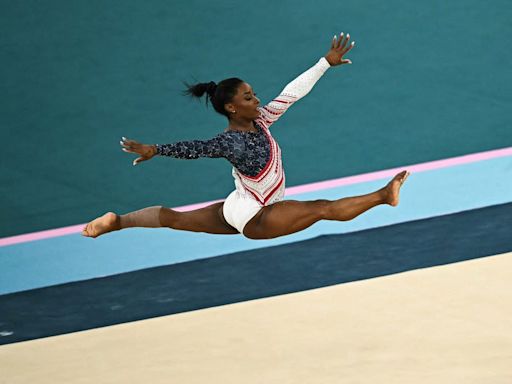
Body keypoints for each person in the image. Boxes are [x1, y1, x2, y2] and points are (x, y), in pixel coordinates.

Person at [82, 32, 409, 240]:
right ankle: (384, 195)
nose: (256, 100)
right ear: (231, 108)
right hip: (258, 216)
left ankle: (117, 222)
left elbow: (292, 93)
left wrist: (324, 63)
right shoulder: (232, 142)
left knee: (174, 219)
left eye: (253, 94)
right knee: (322, 208)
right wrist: (157, 149)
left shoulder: (262, 119)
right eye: (248, 97)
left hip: (236, 207)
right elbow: (198, 148)